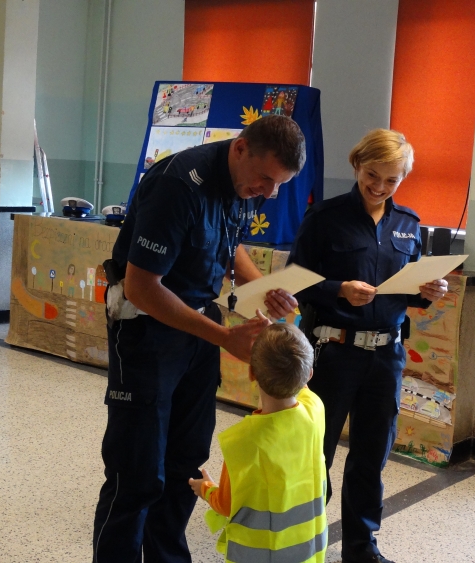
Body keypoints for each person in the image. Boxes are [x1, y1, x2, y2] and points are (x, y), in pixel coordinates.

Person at [93, 115, 307, 563]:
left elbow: (230, 245)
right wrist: (225, 337)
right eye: (266, 179)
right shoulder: (177, 185)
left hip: (198, 326)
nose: (268, 192)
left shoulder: (243, 183)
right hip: (146, 328)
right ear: (240, 149)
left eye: (279, 185)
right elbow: (141, 288)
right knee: (137, 472)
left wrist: (261, 287)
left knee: (185, 462)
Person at [289, 129, 448, 563]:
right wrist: (338, 289)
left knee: (371, 455)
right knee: (316, 453)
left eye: (391, 180)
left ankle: (362, 547)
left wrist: (428, 291)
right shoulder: (324, 217)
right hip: (333, 351)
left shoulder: (408, 224)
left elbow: (410, 289)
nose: (379, 186)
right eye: (372, 175)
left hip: (386, 356)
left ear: (403, 178)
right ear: (357, 165)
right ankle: (303, 541)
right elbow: (294, 281)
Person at [189, 323, 327, 563]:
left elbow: (225, 504)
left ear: (251, 373)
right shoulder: (315, 408)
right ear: (309, 375)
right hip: (307, 550)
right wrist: (280, 341)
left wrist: (204, 488)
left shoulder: (243, 441)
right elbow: (297, 376)